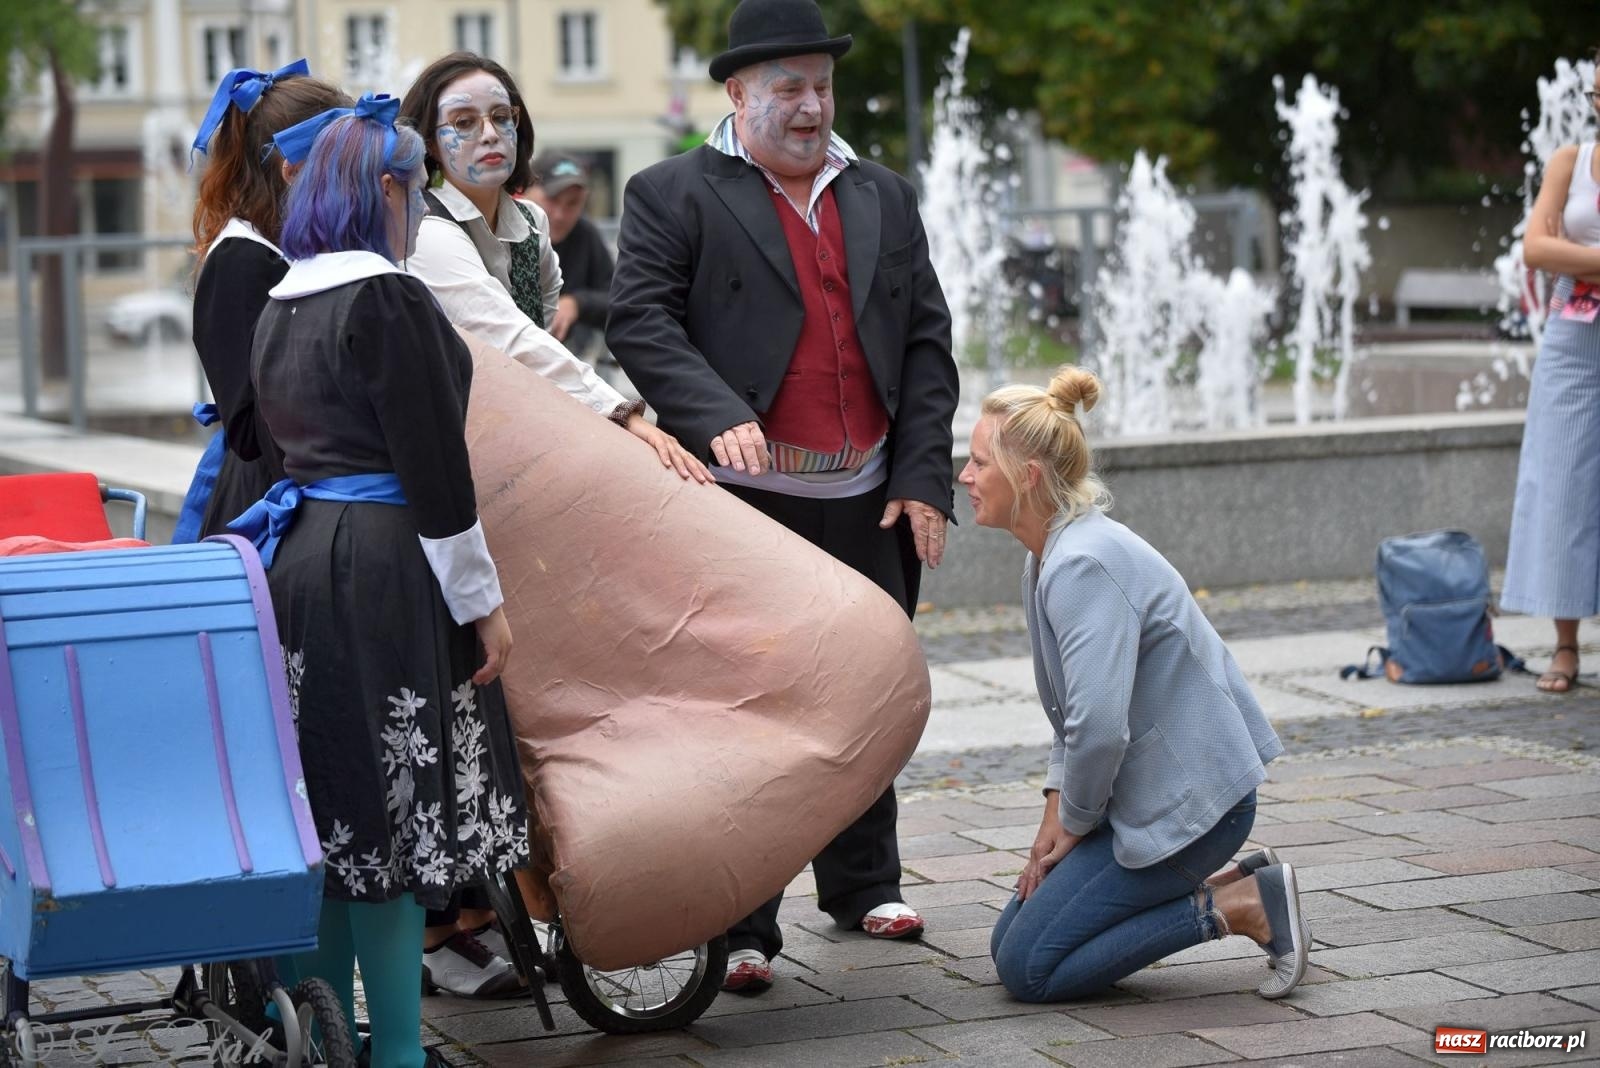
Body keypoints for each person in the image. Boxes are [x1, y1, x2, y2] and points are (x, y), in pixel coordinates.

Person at [607, 0, 959, 994]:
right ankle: (744, 923)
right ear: (736, 93)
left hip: (867, 493)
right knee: (746, 709)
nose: (811, 107)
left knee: (867, 687)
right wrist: (713, 408)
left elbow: (927, 341)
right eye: (787, 88)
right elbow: (640, 320)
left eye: (822, 86)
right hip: (743, 502)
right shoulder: (672, 192)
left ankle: (864, 884)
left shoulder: (882, 192)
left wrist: (922, 476)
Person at [232, 98, 529, 1067]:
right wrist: (484, 607)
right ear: (387, 193)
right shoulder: (389, 299)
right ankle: (398, 1051)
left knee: (329, 811)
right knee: (396, 816)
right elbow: (437, 472)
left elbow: (264, 447)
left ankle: (328, 1040)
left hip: (299, 565)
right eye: (416, 190)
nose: (422, 210)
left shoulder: (281, 301)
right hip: (384, 565)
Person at [957, 367, 1308, 1003]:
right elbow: (1073, 714)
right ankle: (1235, 883)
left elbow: (1097, 729)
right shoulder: (1050, 553)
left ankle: (1242, 905)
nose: (965, 476)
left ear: (1027, 475)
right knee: (1012, 940)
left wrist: (1075, 822)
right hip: (1141, 800)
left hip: (1197, 810)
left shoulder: (1081, 563)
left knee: (1029, 969)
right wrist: (1054, 813)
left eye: (980, 462)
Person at [399, 53, 707, 484]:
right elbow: (510, 338)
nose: (489, 134)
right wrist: (622, 412)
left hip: (511, 437)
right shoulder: (425, 230)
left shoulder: (531, 221)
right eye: (464, 122)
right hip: (444, 450)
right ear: (431, 144)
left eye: (501, 116)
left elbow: (540, 333)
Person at [176, 61, 351, 543]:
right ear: (292, 169)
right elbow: (252, 428)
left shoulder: (284, 245)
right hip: (268, 505)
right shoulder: (241, 260)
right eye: (341, 161)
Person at [1502, 62, 1600, 694]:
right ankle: (1565, 646)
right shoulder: (1572, 161)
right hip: (1574, 337)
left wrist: (1577, 255)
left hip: (1579, 300)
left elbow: (1556, 247)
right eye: (1597, 93)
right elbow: (1535, 250)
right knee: (1563, 485)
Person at [524, 150, 613, 357]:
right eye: (552, 200)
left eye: (573, 203)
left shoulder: (585, 234)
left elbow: (619, 298)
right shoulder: (506, 231)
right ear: (527, 190)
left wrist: (576, 303)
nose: (560, 215)